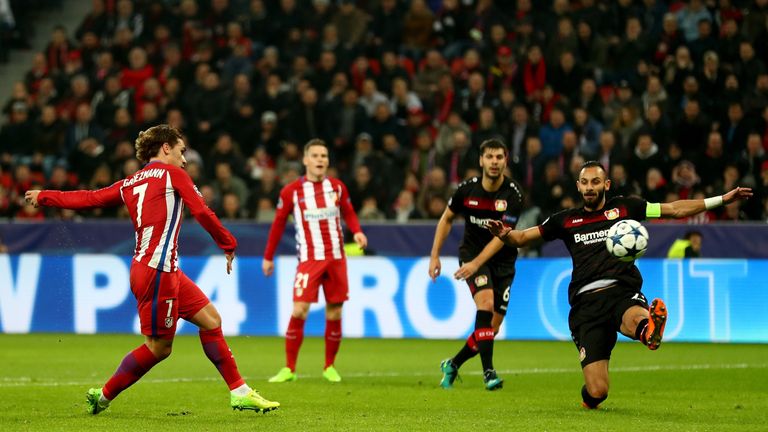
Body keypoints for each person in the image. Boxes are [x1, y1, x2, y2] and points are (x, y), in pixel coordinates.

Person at [24, 125, 279, 414]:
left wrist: (46, 195)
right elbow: (201, 211)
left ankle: (240, 391)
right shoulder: (174, 175)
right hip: (157, 271)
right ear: (166, 148)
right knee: (159, 348)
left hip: (158, 268)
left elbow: (89, 199)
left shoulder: (130, 181)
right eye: (182, 151)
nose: (185, 160)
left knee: (210, 320)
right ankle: (103, 396)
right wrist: (228, 243)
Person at [487, 161, 752, 408]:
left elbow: (674, 209)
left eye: (595, 182)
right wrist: (504, 235)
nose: (590, 187)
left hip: (622, 291)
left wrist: (721, 199)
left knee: (636, 316)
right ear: (578, 186)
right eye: (585, 183)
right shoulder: (565, 220)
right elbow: (522, 237)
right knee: (598, 391)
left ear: (607, 185)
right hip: (586, 306)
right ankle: (591, 396)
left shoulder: (627, 208)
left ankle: (650, 331)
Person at [262, 138, 368, 383]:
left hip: (336, 258)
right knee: (299, 309)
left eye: (324, 156)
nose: (321, 160)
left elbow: (349, 213)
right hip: (309, 259)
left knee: (334, 312)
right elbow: (278, 225)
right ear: (305, 160)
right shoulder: (291, 192)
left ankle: (329, 366)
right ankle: (289, 368)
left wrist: (357, 230)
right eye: (316, 155)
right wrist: (268, 257)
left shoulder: (338, 187)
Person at [429, 139, 524, 391]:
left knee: (492, 326)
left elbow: (502, 237)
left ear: (505, 161)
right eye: (489, 157)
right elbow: (446, 219)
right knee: (485, 304)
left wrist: (475, 264)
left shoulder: (513, 194)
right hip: (472, 256)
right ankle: (488, 372)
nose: (494, 162)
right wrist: (435, 255)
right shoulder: (466, 190)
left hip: (503, 261)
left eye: (499, 157)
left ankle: (453, 363)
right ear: (481, 160)